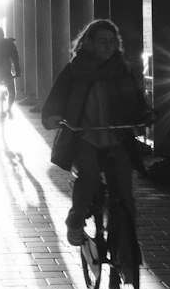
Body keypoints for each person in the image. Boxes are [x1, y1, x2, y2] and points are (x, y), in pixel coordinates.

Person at [41, 18, 152, 245]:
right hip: (84, 136)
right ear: (89, 43)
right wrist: (52, 116)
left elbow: (136, 100)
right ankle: (75, 220)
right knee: (89, 177)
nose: (107, 46)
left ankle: (125, 245)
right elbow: (57, 97)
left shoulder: (123, 70)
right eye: (102, 41)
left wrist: (146, 114)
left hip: (116, 137)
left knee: (124, 189)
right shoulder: (75, 70)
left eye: (112, 41)